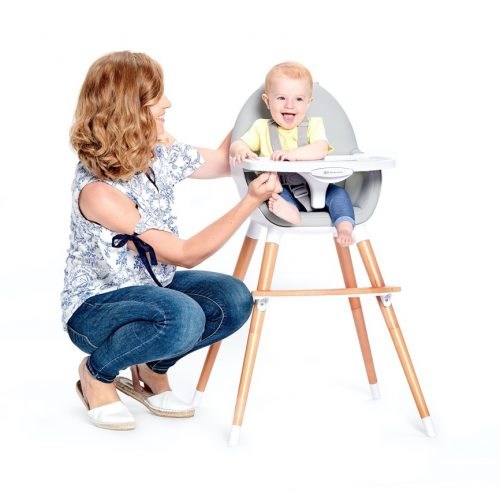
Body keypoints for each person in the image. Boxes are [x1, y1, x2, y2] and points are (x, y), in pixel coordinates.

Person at [62, 51, 280, 430]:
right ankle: (97, 373)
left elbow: (223, 160)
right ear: (129, 111)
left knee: (233, 298)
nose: (168, 103)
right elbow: (185, 254)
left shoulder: (153, 154)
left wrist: (261, 108)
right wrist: (250, 202)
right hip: (95, 308)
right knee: (182, 314)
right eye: (156, 97)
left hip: (152, 286)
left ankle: (151, 366)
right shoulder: (99, 193)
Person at [230, 61, 355, 246]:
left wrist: (293, 154)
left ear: (308, 102)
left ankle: (344, 226)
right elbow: (237, 144)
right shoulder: (260, 128)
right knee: (277, 198)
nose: (290, 105)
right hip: (282, 188)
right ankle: (291, 212)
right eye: (281, 98)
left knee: (340, 196)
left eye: (298, 99)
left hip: (321, 187)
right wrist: (241, 150)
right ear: (267, 101)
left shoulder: (314, 125)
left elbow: (321, 148)